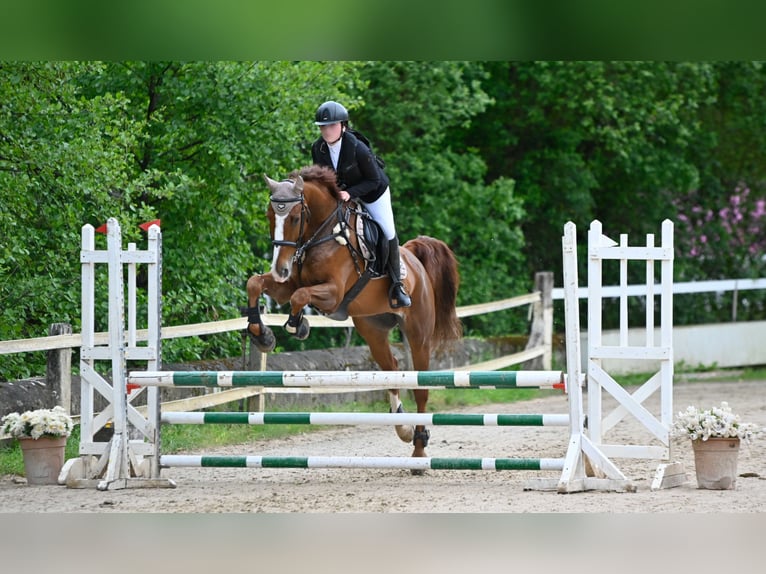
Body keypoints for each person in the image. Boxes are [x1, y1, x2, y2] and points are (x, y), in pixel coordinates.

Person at [311, 100, 411, 308]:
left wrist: (350, 193)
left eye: (331, 126)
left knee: (387, 230)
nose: (327, 131)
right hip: (342, 194)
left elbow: (374, 180)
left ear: (343, 126)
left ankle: (397, 285)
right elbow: (322, 178)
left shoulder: (358, 148)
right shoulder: (318, 148)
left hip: (373, 193)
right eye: (323, 126)